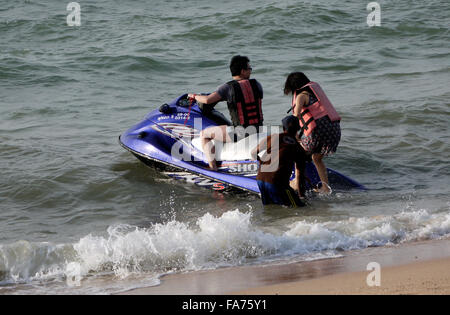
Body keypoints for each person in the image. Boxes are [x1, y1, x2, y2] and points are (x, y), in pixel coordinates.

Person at [188, 55, 263, 170]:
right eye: (249, 69)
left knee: (204, 134)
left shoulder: (228, 88)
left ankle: (212, 167)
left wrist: (194, 96)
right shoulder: (257, 85)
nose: (250, 71)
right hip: (258, 128)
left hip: (241, 133)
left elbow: (207, 100)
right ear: (243, 71)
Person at [284, 72, 341, 194]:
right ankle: (325, 188)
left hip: (319, 133)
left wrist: (293, 135)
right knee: (316, 158)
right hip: (334, 131)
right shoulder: (313, 93)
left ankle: (296, 183)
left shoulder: (301, 96)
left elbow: (295, 117)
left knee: (296, 153)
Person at [251, 116, 307, 207]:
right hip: (277, 183)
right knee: (299, 208)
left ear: (283, 127)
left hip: (260, 180)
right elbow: (300, 176)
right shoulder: (298, 148)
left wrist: (262, 163)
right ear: (298, 129)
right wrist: (301, 196)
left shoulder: (273, 137)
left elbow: (253, 152)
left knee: (270, 209)